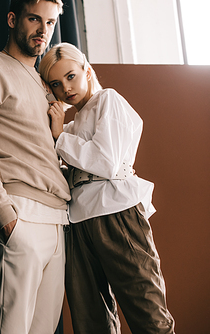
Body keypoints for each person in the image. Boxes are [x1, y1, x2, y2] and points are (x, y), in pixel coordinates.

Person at [39, 42, 175, 334]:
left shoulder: (107, 100)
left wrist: (58, 135)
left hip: (117, 213)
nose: (66, 88)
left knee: (146, 310)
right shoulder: (71, 124)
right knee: (89, 318)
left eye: (71, 76)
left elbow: (106, 161)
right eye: (56, 83)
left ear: (87, 70)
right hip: (77, 222)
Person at [0, 1, 70, 333]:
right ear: (12, 19)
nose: (43, 30)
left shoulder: (46, 83)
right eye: (34, 19)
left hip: (58, 221)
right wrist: (6, 216)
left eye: (50, 23)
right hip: (22, 217)